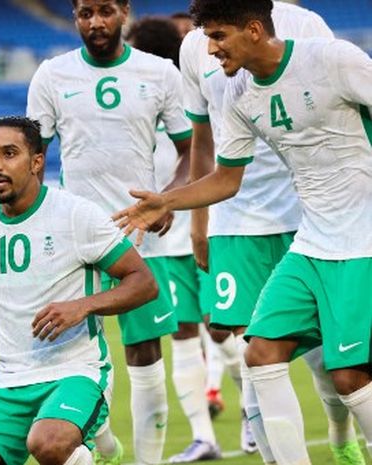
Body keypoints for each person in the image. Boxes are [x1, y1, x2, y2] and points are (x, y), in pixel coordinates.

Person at [113, 1, 372, 464]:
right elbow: (226, 177)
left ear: (253, 30)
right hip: (310, 242)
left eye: (217, 37)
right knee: (260, 354)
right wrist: (167, 201)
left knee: (349, 378)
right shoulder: (236, 94)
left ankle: (345, 441)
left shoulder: (332, 59)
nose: (206, 48)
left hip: (362, 240)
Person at [0, 116, 159, 465]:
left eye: (9, 154)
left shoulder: (75, 215)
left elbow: (143, 282)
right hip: (11, 376)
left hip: (78, 369)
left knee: (48, 442)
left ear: (36, 162)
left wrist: (82, 306)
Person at [27, 1, 193, 463]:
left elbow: (191, 149)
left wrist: (169, 197)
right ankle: (105, 446)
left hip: (140, 234)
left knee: (144, 354)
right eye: (84, 13)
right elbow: (31, 158)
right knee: (65, 355)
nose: (95, 22)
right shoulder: (52, 75)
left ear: (125, 12)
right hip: (74, 238)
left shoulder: (159, 73)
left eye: (105, 11)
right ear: (74, 17)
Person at [125, 16, 227, 462]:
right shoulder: (163, 95)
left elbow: (200, 161)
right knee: (200, 333)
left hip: (195, 231)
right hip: (180, 236)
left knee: (218, 333)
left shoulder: (183, 97)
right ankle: (210, 435)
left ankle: (235, 424)